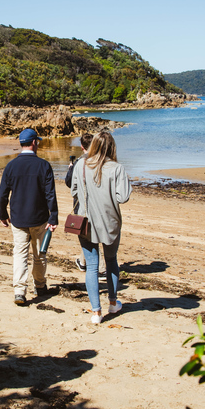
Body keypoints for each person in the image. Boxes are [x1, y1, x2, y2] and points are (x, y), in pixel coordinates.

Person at [70, 131, 131, 324]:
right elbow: (123, 197)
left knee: (92, 266)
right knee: (111, 261)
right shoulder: (117, 168)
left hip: (85, 222)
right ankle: (112, 303)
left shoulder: (80, 164)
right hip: (110, 221)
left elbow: (73, 190)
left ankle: (96, 312)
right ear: (112, 147)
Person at [0, 128, 59, 305]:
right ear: (34, 143)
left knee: (20, 253)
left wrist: (3, 214)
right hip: (39, 218)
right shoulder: (44, 165)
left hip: (18, 218)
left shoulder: (11, 166)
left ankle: (19, 291)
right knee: (39, 254)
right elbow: (50, 195)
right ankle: (40, 285)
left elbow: (2, 194)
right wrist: (53, 217)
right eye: (37, 142)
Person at [63, 133, 102, 273]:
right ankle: (84, 261)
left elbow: (69, 183)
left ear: (81, 146)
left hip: (82, 204)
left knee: (86, 233)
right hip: (96, 204)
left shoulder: (80, 162)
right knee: (89, 233)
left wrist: (70, 169)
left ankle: (100, 267)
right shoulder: (99, 161)